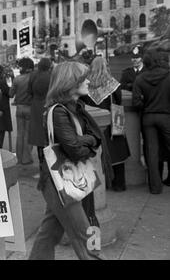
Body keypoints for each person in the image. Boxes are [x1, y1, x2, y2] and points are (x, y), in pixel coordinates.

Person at [29, 61, 108, 260]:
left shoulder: (75, 108)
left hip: (62, 181)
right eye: (84, 78)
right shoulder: (59, 111)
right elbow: (75, 149)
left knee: (48, 233)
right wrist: (90, 142)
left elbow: (91, 138)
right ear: (70, 82)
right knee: (86, 234)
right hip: (62, 182)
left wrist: (86, 141)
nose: (88, 81)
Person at [83, 57, 130, 191]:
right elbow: (118, 101)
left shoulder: (87, 85)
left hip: (92, 123)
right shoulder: (113, 84)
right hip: (113, 122)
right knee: (117, 152)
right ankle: (119, 184)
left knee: (96, 154)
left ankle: (100, 185)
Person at [132, 49, 170, 194]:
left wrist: (145, 104)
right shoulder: (168, 75)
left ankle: (155, 187)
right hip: (166, 117)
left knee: (151, 152)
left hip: (148, 118)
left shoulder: (140, 79)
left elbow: (136, 103)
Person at [28, 58, 52, 172]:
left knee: (39, 137)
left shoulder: (33, 76)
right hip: (48, 106)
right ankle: (49, 165)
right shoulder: (51, 76)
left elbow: (29, 91)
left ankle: (41, 165)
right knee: (49, 135)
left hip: (36, 106)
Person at [10, 58, 34, 165]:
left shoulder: (17, 79)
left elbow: (11, 94)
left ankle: (19, 158)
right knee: (28, 134)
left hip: (19, 109)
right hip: (30, 108)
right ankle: (26, 158)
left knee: (20, 134)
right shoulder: (33, 78)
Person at [0, 65, 13, 148]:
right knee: (0, 133)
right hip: (2, 111)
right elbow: (10, 93)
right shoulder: (2, 83)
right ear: (1, 73)